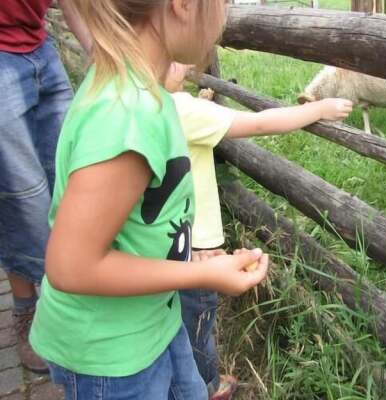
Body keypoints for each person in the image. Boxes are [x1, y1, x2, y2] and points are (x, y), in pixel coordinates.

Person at [28, 0, 270, 398]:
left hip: (153, 320)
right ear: (184, 5)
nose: (224, 17)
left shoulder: (144, 93)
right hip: (111, 355)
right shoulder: (127, 115)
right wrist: (204, 275)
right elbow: (72, 266)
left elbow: (139, 220)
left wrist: (192, 259)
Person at [165, 64, 353, 399]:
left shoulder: (140, 105)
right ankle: (207, 386)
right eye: (173, 60)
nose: (185, 65)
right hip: (199, 249)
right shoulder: (179, 108)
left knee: (179, 324)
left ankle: (188, 382)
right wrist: (318, 107)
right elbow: (261, 122)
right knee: (198, 324)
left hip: (172, 246)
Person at [0, 0, 91, 373]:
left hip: (40, 46)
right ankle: (28, 308)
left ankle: (72, 296)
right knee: (20, 196)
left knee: (71, 176)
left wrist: (96, 50)